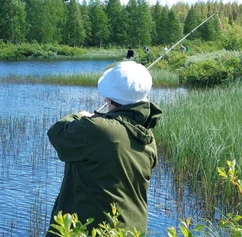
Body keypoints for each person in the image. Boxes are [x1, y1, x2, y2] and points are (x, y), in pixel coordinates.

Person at [46, 61, 163, 236]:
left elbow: (57, 133)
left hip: (93, 231)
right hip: (132, 229)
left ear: (109, 98)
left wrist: (81, 116)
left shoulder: (97, 129)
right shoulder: (148, 137)